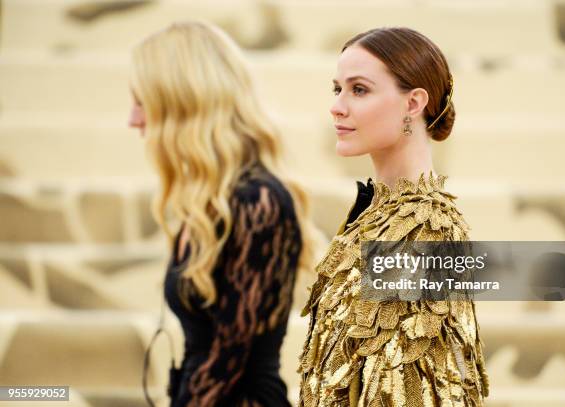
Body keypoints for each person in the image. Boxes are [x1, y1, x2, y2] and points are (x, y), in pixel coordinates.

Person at [298, 27, 489, 406]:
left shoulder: (423, 228)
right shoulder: (377, 213)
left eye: (359, 89)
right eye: (337, 89)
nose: (337, 106)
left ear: (413, 103)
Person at [129, 21, 312, 406]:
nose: (134, 119)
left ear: (182, 103)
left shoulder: (257, 201)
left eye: (142, 101)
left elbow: (230, 360)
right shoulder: (215, 202)